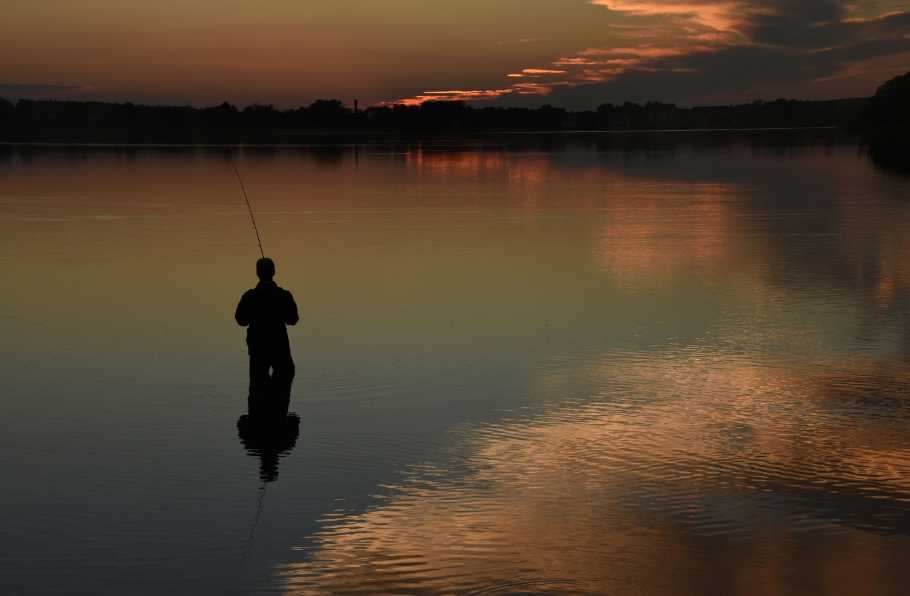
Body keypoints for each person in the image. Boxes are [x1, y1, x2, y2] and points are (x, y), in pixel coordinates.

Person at [235, 258, 299, 392]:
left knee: (257, 387)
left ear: (257, 274)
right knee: (284, 382)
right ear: (274, 272)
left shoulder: (250, 296)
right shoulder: (284, 295)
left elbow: (241, 321)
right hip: (280, 347)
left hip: (257, 348)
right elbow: (293, 320)